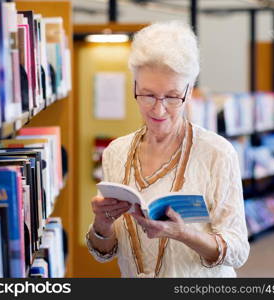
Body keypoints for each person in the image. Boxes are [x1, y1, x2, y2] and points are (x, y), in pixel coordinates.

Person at [85, 21, 250, 277]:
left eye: (172, 97)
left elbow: (238, 251)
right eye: (148, 95)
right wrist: (102, 225)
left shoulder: (217, 153)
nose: (159, 109)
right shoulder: (115, 153)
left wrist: (183, 234)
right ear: (134, 88)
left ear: (189, 92)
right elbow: (106, 252)